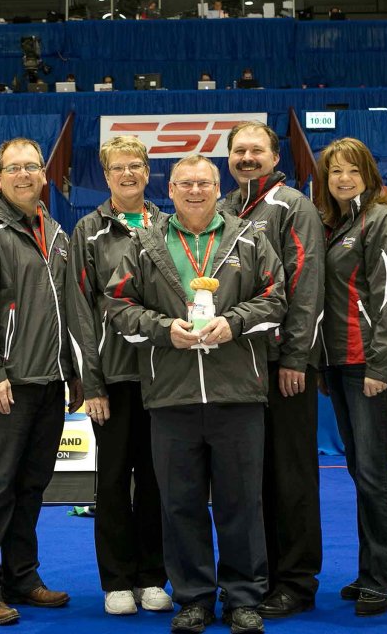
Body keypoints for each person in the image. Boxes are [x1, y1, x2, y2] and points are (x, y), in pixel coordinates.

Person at [105, 154, 287, 634]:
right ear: (171, 190)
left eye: (203, 182)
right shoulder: (146, 245)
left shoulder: (250, 237)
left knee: (241, 502)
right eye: (184, 183)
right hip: (171, 395)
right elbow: (118, 306)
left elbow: (275, 297)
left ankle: (244, 596)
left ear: (217, 186)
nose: (194, 191)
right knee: (179, 503)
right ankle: (193, 597)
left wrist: (235, 323)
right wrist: (166, 331)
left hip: (238, 392)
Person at [0, 137, 84, 626]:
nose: (25, 175)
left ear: (44, 175)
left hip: (47, 380)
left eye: (33, 166)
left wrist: (71, 373)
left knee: (32, 486)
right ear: (0, 176)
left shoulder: (53, 230)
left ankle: (22, 576)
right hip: (3, 382)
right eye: (15, 168)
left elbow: (67, 311)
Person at [219, 121, 325, 618]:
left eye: (255, 150)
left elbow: (304, 286)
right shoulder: (223, 209)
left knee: (292, 475)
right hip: (239, 367)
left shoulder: (292, 205)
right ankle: (255, 575)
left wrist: (296, 356)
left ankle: (297, 580)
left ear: (274, 155)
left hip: (284, 365)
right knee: (249, 478)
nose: (246, 158)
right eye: (239, 151)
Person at [65, 136, 171, 616]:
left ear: (149, 172)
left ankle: (153, 576)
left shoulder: (167, 225)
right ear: (105, 177)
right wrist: (92, 384)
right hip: (113, 377)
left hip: (165, 377)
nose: (127, 175)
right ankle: (116, 581)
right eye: (116, 169)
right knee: (111, 481)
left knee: (157, 480)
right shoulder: (88, 230)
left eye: (135, 166)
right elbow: (80, 312)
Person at [315, 137, 387, 616]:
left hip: (372, 366)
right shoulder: (338, 226)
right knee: (362, 470)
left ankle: (382, 577)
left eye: (352, 170)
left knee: (374, 472)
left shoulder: (383, 219)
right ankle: (382, 567)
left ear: (368, 173)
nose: (343, 178)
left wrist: (380, 362)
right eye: (335, 172)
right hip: (340, 363)